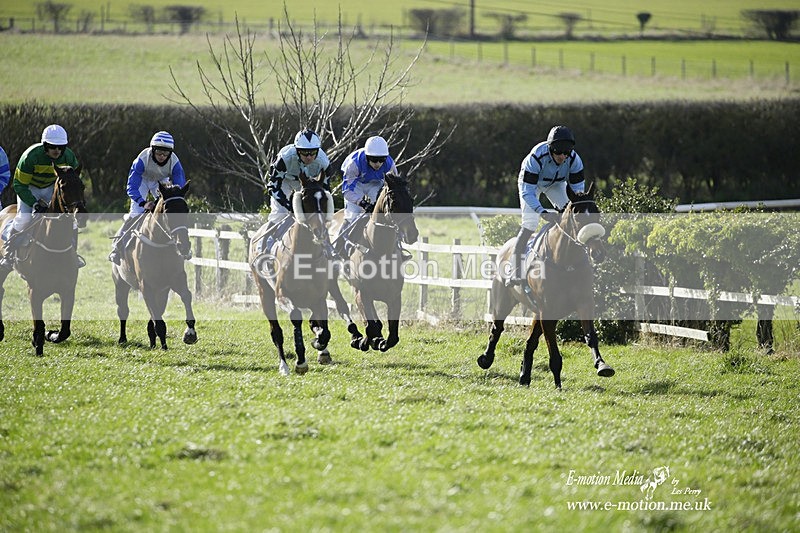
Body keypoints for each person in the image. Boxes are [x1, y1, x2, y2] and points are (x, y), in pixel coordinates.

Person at [508, 125, 586, 284]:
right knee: (530, 223)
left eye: (566, 153)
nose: (563, 156)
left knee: (572, 218)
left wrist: (572, 208)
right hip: (531, 185)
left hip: (556, 185)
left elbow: (578, 193)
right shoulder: (535, 158)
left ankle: (573, 261)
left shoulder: (574, 160)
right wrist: (542, 211)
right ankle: (514, 270)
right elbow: (527, 192)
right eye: (559, 152)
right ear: (551, 149)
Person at [0, 125, 83, 270]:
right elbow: (19, 185)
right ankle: (8, 254)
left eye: (60, 147)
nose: (57, 151)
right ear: (45, 146)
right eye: (52, 147)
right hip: (29, 188)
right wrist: (34, 203)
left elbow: (74, 179)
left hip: (52, 187)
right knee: (24, 218)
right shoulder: (30, 157)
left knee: (72, 221)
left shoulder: (68, 156)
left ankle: (73, 255)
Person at [108, 131, 187, 265]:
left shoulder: (175, 162)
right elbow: (131, 187)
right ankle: (117, 245)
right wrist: (143, 202)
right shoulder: (141, 159)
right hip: (142, 180)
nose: (162, 156)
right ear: (152, 150)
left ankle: (181, 246)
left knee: (169, 211)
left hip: (161, 181)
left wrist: (173, 195)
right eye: (159, 153)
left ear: (170, 153)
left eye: (165, 154)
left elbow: (179, 187)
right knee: (136, 213)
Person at [262, 129, 335, 249]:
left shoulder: (324, 163)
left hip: (306, 183)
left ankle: (328, 247)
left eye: (312, 152)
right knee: (280, 213)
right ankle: (265, 246)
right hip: (284, 181)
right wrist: (288, 205)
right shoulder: (284, 158)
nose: (309, 157)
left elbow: (326, 191)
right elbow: (272, 186)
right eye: (304, 152)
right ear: (297, 150)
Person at [333, 135, 397, 257]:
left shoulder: (389, 164)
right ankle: (338, 250)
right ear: (367, 157)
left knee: (384, 215)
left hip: (375, 183)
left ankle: (397, 247)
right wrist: (362, 203)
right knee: (352, 216)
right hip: (356, 185)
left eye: (381, 159)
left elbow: (394, 187)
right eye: (373, 159)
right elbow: (347, 191)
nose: (378, 164)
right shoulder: (353, 164)